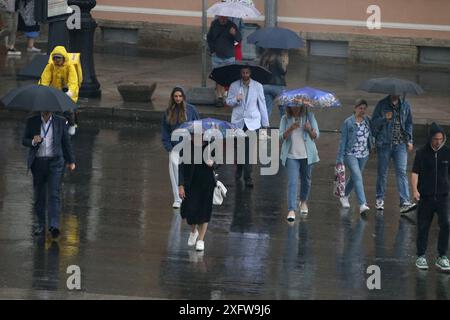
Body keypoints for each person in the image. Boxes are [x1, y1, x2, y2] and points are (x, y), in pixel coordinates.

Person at [22, 111, 76, 238]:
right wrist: (33, 141)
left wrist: (71, 160)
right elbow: (24, 140)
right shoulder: (32, 121)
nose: (46, 111)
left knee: (54, 193)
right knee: (39, 196)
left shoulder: (60, 121)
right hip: (38, 163)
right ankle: (40, 225)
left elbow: (66, 142)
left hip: (55, 163)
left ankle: (54, 225)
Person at [411, 122, 450, 271]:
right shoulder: (421, 153)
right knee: (423, 226)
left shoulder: (447, 152)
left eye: (440, 138)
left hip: (443, 196)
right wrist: (415, 190)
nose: (438, 141)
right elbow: (415, 172)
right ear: (430, 138)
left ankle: (442, 256)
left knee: (446, 224)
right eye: (435, 139)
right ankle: (421, 255)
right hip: (425, 196)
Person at [371, 94, 417, 213]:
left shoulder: (405, 105)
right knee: (382, 173)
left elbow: (409, 123)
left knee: (401, 172)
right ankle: (379, 198)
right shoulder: (382, 104)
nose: (396, 94)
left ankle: (404, 201)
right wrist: (385, 119)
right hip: (384, 143)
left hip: (400, 144)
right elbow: (374, 123)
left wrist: (410, 139)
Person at [226, 66, 269, 188]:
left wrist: (265, 124)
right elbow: (228, 102)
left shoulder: (258, 86)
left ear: (250, 73)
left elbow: (262, 104)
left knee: (249, 151)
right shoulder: (234, 85)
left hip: (253, 122)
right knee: (239, 148)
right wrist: (236, 99)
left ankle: (248, 177)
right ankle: (239, 168)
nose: (245, 74)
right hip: (238, 121)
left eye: (247, 72)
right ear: (240, 73)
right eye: (243, 72)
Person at [279, 102, 320, 221]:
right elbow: (281, 136)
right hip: (291, 156)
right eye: (293, 105)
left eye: (298, 105)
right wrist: (290, 128)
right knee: (292, 182)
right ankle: (291, 209)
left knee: (306, 180)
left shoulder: (309, 116)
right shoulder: (285, 118)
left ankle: (303, 201)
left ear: (302, 106)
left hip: (307, 156)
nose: (295, 107)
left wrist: (309, 129)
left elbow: (316, 135)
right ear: (289, 106)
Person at [161, 87, 200, 209]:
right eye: (175, 96)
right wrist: (169, 147)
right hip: (175, 148)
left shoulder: (191, 110)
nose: (178, 98)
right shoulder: (168, 112)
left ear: (183, 97)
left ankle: (190, 196)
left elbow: (198, 127)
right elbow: (165, 132)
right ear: (172, 97)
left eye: (180, 96)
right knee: (174, 173)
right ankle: (177, 199)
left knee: (191, 172)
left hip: (189, 146)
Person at [178, 137, 216, 252]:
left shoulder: (211, 145)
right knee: (189, 210)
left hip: (207, 182)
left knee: (205, 210)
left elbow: (219, 160)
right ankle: (194, 231)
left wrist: (213, 163)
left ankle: (201, 240)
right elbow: (181, 167)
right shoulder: (186, 146)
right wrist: (181, 185)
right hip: (191, 183)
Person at [336, 99, 373, 214]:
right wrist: (340, 158)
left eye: (364, 108)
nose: (362, 110)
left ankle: (344, 195)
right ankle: (362, 204)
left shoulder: (367, 120)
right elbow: (343, 141)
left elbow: (373, 131)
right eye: (360, 108)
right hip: (351, 153)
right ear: (355, 108)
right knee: (357, 176)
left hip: (364, 154)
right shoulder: (348, 122)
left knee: (355, 177)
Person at [39, 46, 79, 135]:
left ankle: (72, 124)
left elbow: (73, 81)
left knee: (69, 110)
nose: (56, 59)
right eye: (55, 57)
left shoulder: (70, 67)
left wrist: (70, 92)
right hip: (54, 92)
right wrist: (42, 89)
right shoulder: (50, 66)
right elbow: (44, 79)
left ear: (63, 58)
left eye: (59, 57)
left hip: (67, 92)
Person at [207, 15, 242, 107]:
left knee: (228, 77)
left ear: (227, 17)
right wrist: (212, 50)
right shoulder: (214, 24)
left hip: (229, 56)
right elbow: (209, 38)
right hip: (216, 56)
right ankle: (219, 97)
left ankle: (227, 95)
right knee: (218, 76)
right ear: (218, 17)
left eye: (224, 17)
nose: (222, 19)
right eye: (221, 17)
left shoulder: (232, 25)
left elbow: (239, 39)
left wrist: (234, 34)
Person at [260, 49, 289, 118]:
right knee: (283, 109)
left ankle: (264, 126)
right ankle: (285, 126)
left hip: (265, 86)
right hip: (278, 86)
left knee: (267, 109)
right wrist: (285, 63)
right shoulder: (279, 57)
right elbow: (283, 72)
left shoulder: (265, 56)